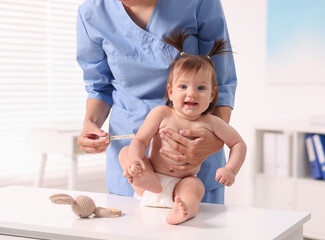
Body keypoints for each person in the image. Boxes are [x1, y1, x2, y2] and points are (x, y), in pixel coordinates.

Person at [76, 0, 237, 204]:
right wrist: (90, 124)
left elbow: (222, 83)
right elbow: (99, 88)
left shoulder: (199, 3)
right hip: (131, 164)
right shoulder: (91, 13)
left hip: (193, 160)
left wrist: (213, 141)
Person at [119, 30, 247, 224]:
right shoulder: (161, 114)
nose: (192, 93)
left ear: (212, 96)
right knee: (126, 152)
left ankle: (183, 209)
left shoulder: (211, 122)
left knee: (195, 187)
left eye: (201, 88)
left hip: (181, 183)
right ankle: (145, 179)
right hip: (151, 175)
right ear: (171, 92)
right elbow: (140, 140)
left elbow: (238, 143)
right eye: (183, 87)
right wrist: (136, 160)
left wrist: (230, 169)